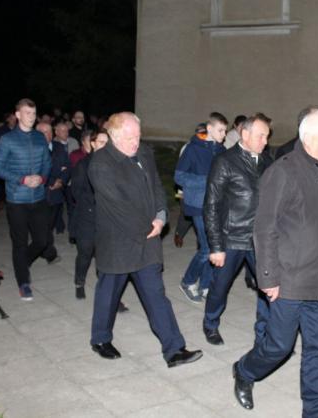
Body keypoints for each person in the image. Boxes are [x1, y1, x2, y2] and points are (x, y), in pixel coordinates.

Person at [232, 110, 318, 417]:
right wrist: (268, 278)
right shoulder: (283, 172)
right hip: (289, 278)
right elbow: (264, 228)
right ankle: (244, 370)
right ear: (309, 140)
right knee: (279, 346)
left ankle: (315, 407)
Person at [88, 112, 202, 367]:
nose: (135, 143)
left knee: (156, 294)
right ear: (113, 136)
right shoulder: (101, 164)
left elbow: (157, 188)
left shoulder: (144, 153)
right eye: (130, 138)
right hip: (118, 242)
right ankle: (100, 339)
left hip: (148, 237)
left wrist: (160, 217)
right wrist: (148, 228)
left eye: (138, 136)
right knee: (109, 293)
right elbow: (117, 207)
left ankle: (174, 350)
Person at [202, 113, 272, 346]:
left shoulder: (267, 161)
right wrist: (216, 246)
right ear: (245, 134)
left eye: (267, 136)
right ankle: (211, 323)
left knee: (267, 287)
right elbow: (211, 205)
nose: (265, 141)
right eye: (261, 136)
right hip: (231, 238)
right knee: (220, 287)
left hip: (260, 239)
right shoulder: (225, 161)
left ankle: (264, 333)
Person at [0, 98, 56, 301]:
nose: (32, 117)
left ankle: (21, 263)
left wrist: (42, 178)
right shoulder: (7, 139)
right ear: (18, 115)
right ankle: (23, 282)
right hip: (16, 199)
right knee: (19, 243)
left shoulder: (39, 137)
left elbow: (47, 162)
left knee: (42, 240)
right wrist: (22, 179)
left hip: (38, 197)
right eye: (27, 113)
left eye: (34, 113)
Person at [176, 112, 227, 302]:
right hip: (198, 204)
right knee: (206, 249)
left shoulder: (221, 150)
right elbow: (179, 176)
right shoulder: (192, 149)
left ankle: (205, 285)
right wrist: (206, 181)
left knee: (215, 247)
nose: (224, 134)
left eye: (225, 130)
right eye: (221, 130)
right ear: (210, 128)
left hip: (216, 204)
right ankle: (188, 281)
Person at [69, 129, 106, 299]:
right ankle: (79, 282)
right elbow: (75, 192)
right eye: (101, 142)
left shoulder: (113, 165)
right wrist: (95, 201)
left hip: (106, 217)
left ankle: (108, 294)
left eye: (108, 143)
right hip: (87, 217)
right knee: (85, 253)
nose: (105, 146)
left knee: (105, 257)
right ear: (93, 144)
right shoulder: (83, 165)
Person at [37, 122, 70, 259]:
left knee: (49, 224)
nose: (48, 134)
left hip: (56, 193)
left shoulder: (59, 147)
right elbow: (38, 170)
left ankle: (43, 247)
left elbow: (67, 166)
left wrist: (61, 180)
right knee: (43, 224)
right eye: (44, 132)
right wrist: (51, 181)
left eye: (50, 131)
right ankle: (47, 251)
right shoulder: (34, 148)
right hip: (41, 192)